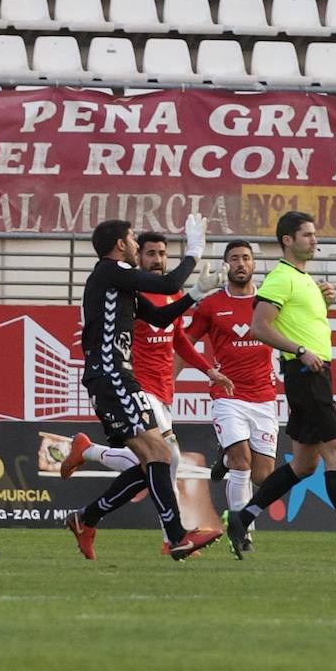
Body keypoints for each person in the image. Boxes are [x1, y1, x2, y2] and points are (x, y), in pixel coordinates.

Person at [224, 211, 336, 564]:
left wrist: (324, 302)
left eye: (314, 235)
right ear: (288, 240)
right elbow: (258, 327)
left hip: (311, 374)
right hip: (306, 375)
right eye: (307, 235)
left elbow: (302, 325)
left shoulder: (304, 279)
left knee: (303, 465)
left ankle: (243, 516)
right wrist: (300, 350)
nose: (314, 240)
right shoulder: (281, 278)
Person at [63, 216, 223, 561]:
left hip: (118, 378)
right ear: (120, 244)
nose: (137, 245)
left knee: (157, 459)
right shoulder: (108, 271)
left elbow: (163, 318)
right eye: (134, 239)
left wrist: (196, 292)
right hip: (111, 376)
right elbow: (167, 285)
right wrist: (194, 252)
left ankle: (87, 518)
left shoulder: (120, 286)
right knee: (162, 456)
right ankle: (177, 537)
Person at [186, 240, 278, 552]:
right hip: (228, 394)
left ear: (254, 265)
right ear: (227, 265)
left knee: (263, 475)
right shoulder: (211, 305)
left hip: (264, 397)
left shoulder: (268, 302)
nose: (241, 264)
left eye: (246, 258)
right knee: (242, 463)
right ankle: (243, 532)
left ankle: (223, 456)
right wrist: (168, 376)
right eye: (234, 259)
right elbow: (186, 342)